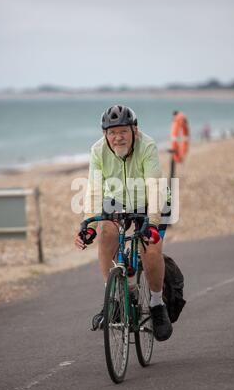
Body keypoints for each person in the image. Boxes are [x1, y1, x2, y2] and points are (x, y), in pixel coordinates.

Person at [74, 105, 173, 342]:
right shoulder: (98, 150)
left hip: (152, 201)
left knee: (150, 250)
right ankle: (115, 298)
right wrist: (87, 222)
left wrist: (153, 221)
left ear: (134, 131)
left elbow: (154, 186)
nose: (117, 137)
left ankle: (158, 306)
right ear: (105, 134)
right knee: (105, 231)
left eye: (123, 131)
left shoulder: (147, 146)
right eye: (111, 132)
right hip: (117, 200)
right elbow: (95, 189)